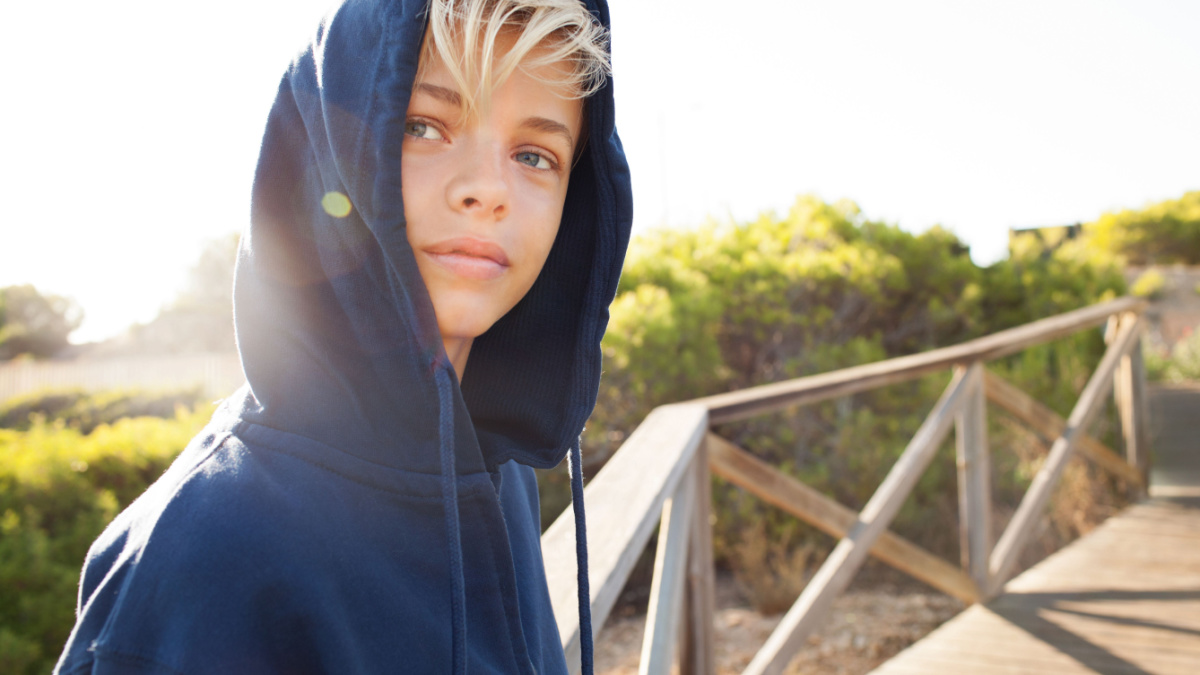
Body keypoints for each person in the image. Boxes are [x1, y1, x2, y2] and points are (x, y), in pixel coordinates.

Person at [54, 0, 632, 673]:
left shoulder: (497, 471)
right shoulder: (204, 553)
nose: (486, 188)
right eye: (423, 126)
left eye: (535, 154)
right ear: (326, 156)